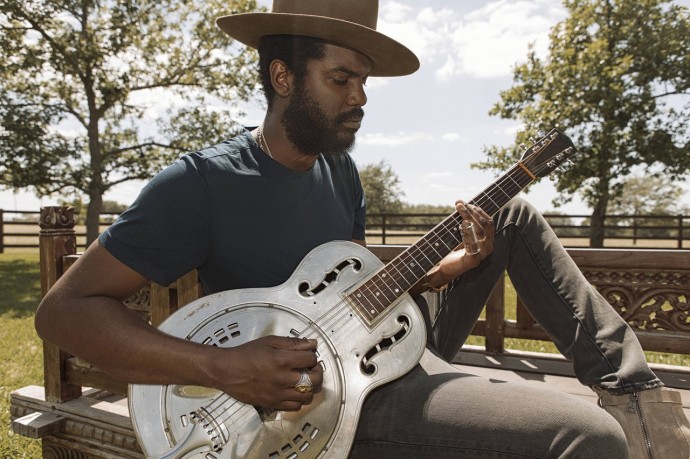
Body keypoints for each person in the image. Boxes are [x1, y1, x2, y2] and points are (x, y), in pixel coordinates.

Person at [35, 0, 690, 457]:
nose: (361, 97)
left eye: (364, 80)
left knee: (508, 213)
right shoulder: (202, 183)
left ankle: (633, 391)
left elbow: (357, 286)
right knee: (588, 439)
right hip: (320, 402)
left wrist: (448, 270)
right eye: (341, 78)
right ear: (282, 77)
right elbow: (63, 312)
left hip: (382, 339)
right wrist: (222, 365)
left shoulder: (340, 173)